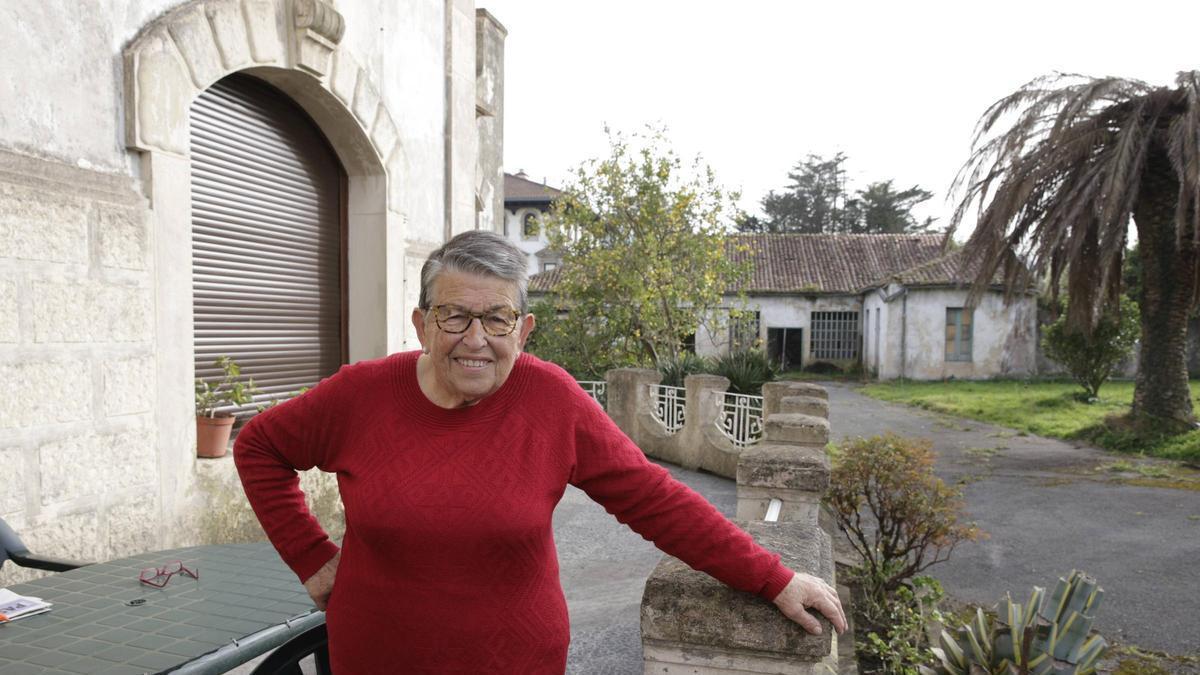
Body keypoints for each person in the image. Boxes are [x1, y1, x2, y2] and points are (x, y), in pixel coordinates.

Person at [235, 230, 846, 673]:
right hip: (376, 657)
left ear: (523, 331)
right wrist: (312, 557)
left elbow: (655, 499)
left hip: (516, 660)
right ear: (421, 325)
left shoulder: (551, 399)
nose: (476, 339)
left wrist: (772, 578)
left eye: (497, 319)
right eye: (454, 316)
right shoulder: (361, 395)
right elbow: (259, 446)